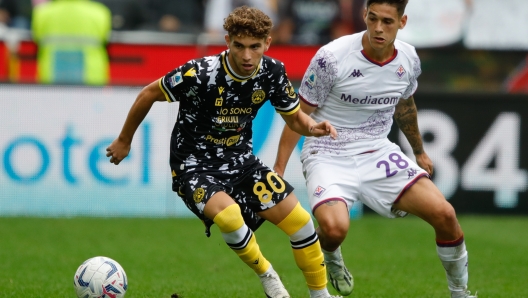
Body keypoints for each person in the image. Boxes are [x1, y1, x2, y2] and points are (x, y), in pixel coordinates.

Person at [106, 6, 341, 298]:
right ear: (227, 40)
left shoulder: (272, 72)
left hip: (241, 162)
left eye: (255, 47)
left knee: (302, 223)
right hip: (193, 166)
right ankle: (267, 275)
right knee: (230, 218)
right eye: (239, 46)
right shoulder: (199, 73)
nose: (246, 56)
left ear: (267, 44)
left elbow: (295, 119)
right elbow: (148, 93)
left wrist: (312, 126)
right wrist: (124, 140)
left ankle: (320, 295)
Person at [273, 0, 477, 297]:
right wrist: (279, 169)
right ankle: (331, 255)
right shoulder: (331, 57)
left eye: (388, 21)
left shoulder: (408, 59)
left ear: (402, 22)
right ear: (364, 15)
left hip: (378, 150)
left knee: (445, 214)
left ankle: (460, 293)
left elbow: (405, 104)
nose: (379, 28)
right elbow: (297, 115)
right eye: (373, 18)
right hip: (328, 152)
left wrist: (418, 151)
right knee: (334, 230)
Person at [31, 0, 111, 85]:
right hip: (92, 80)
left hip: (51, 78)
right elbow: (105, 39)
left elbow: (37, 39)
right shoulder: (100, 12)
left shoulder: (42, 13)